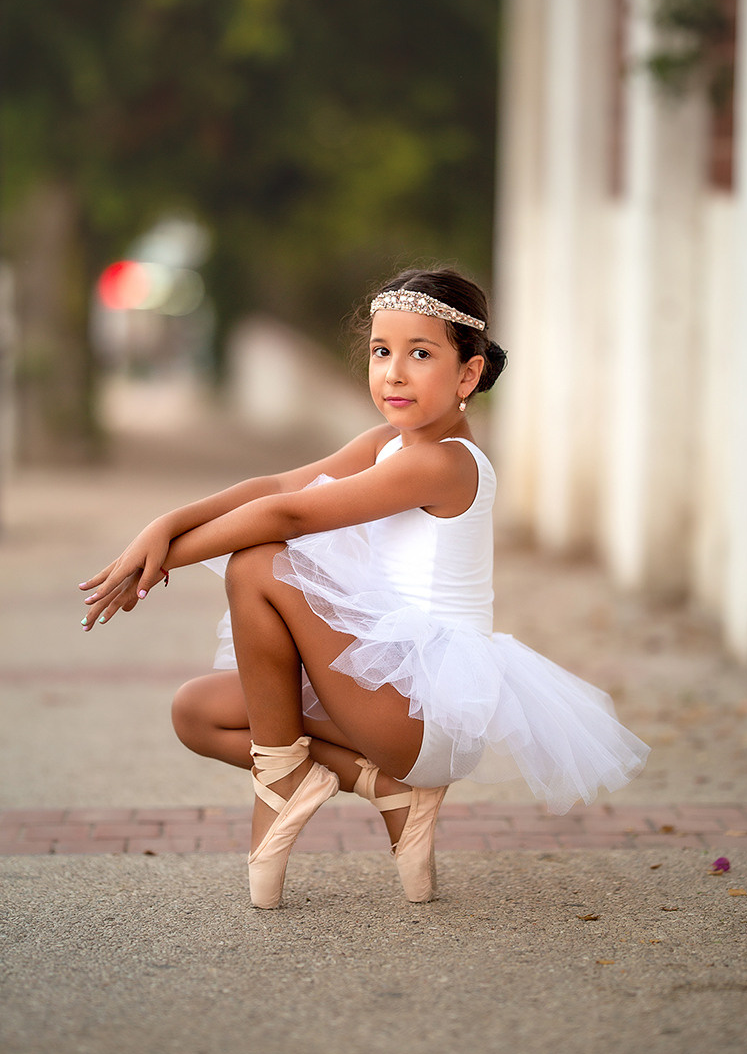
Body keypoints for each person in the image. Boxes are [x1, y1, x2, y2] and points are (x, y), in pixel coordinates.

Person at [80, 267, 649, 909]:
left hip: (419, 710)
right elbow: (277, 488)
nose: (394, 373)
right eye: (382, 352)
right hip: (373, 685)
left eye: (421, 354)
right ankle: (368, 786)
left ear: (468, 374)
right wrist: (166, 523)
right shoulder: (389, 443)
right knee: (196, 712)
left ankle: (283, 782)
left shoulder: (445, 461)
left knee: (258, 563)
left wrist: (160, 562)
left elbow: (287, 518)